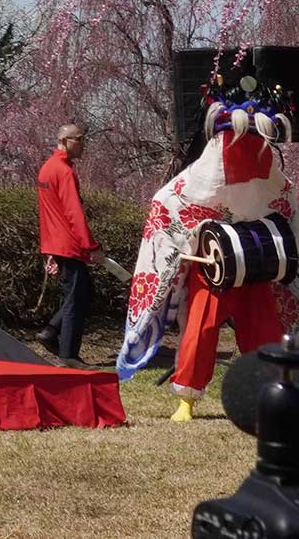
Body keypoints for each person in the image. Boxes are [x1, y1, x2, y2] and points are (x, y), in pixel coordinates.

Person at [118, 75, 297, 421]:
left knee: (264, 330)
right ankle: (186, 398)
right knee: (201, 329)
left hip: (256, 261)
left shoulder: (267, 166)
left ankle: (271, 394)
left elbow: (285, 202)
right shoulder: (211, 163)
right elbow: (169, 201)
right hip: (213, 264)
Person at [36, 123, 101, 363]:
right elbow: (74, 213)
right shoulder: (64, 172)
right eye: (79, 139)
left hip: (56, 242)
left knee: (84, 293)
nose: (83, 144)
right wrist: (91, 246)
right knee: (76, 298)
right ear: (64, 141)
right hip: (69, 244)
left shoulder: (47, 169)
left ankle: (51, 331)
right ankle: (68, 355)